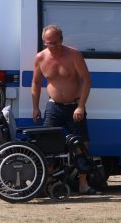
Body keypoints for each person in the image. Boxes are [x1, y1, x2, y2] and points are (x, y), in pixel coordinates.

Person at [32, 24, 99, 195]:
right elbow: (36, 83)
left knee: (81, 144)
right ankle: (47, 182)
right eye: (48, 43)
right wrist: (35, 107)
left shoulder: (74, 55)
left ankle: (83, 184)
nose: (52, 46)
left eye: (55, 43)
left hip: (74, 106)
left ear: (61, 40)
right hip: (53, 106)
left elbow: (87, 80)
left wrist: (81, 106)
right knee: (47, 144)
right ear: (44, 42)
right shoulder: (40, 58)